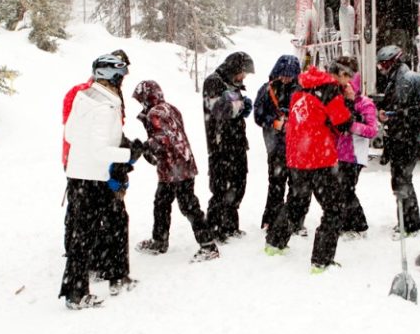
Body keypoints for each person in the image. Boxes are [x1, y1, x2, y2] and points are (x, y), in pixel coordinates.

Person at [59, 54, 142, 310]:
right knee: (95, 231)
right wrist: (130, 154)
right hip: (94, 178)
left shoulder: (84, 97)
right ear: (112, 76)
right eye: (121, 75)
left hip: (79, 176)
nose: (123, 80)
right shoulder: (105, 107)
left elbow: (71, 134)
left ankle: (111, 277)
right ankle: (80, 291)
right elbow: (99, 151)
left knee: (87, 231)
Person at [264, 64, 353, 274]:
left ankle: (274, 244)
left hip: (297, 156)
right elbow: (343, 123)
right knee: (333, 208)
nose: (348, 81)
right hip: (319, 157)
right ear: (334, 77)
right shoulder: (329, 91)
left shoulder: (299, 91)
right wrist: (349, 100)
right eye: (346, 77)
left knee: (296, 202)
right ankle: (321, 261)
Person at [132, 80, 220, 262]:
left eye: (142, 99)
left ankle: (208, 245)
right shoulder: (169, 108)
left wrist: (145, 147)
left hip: (175, 169)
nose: (141, 103)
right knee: (162, 203)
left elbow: (164, 138)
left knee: (188, 206)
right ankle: (159, 240)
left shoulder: (155, 113)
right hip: (178, 165)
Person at [376, 45, 420, 239]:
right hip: (398, 137)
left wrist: (406, 113)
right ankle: (407, 220)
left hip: (409, 138)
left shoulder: (413, 79)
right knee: (399, 179)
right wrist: (383, 113)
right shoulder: (392, 81)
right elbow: (390, 105)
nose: (381, 68)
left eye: (383, 64)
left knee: (402, 180)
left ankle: (409, 223)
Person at [252, 55, 308, 233]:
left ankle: (295, 221)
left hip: (297, 146)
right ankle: (272, 220)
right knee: (276, 184)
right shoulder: (267, 90)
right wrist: (274, 122)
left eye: (290, 75)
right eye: (283, 74)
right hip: (276, 145)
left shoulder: (302, 90)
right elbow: (258, 116)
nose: (286, 78)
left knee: (297, 186)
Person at [203, 52, 255, 242]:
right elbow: (219, 110)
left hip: (237, 143)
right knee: (221, 187)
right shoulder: (214, 82)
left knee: (238, 184)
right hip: (221, 145)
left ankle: (231, 226)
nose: (243, 77)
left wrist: (240, 106)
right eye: (242, 72)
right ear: (234, 68)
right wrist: (241, 106)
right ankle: (216, 227)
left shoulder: (233, 85)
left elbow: (233, 107)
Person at [332, 57, 378, 239]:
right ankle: (347, 223)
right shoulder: (338, 101)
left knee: (347, 189)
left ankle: (358, 224)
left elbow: (372, 130)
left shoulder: (365, 104)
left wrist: (352, 126)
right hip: (337, 153)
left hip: (354, 155)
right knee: (340, 190)